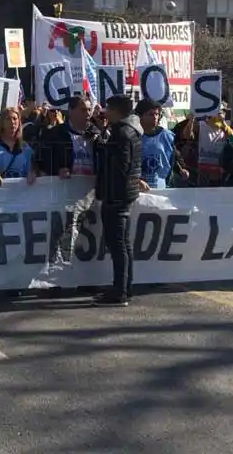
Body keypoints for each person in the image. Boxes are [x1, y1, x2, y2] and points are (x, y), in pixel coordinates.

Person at [93, 94, 143, 307]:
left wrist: (102, 147)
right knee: (124, 243)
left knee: (118, 244)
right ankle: (125, 287)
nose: (106, 111)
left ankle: (119, 290)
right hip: (125, 193)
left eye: (108, 108)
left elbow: (120, 165)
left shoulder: (122, 133)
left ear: (117, 111)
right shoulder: (131, 130)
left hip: (117, 194)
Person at [38, 96, 100, 178]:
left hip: (91, 188)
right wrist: (57, 170)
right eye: (83, 110)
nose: (88, 114)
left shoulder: (97, 134)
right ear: (70, 111)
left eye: (89, 110)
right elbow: (41, 161)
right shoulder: (54, 134)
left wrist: (102, 132)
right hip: (65, 188)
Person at [135, 99, 188, 189]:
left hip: (161, 187)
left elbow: (173, 157)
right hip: (138, 187)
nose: (155, 117)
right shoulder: (133, 135)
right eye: (151, 114)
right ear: (140, 116)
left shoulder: (167, 136)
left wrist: (181, 170)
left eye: (157, 114)